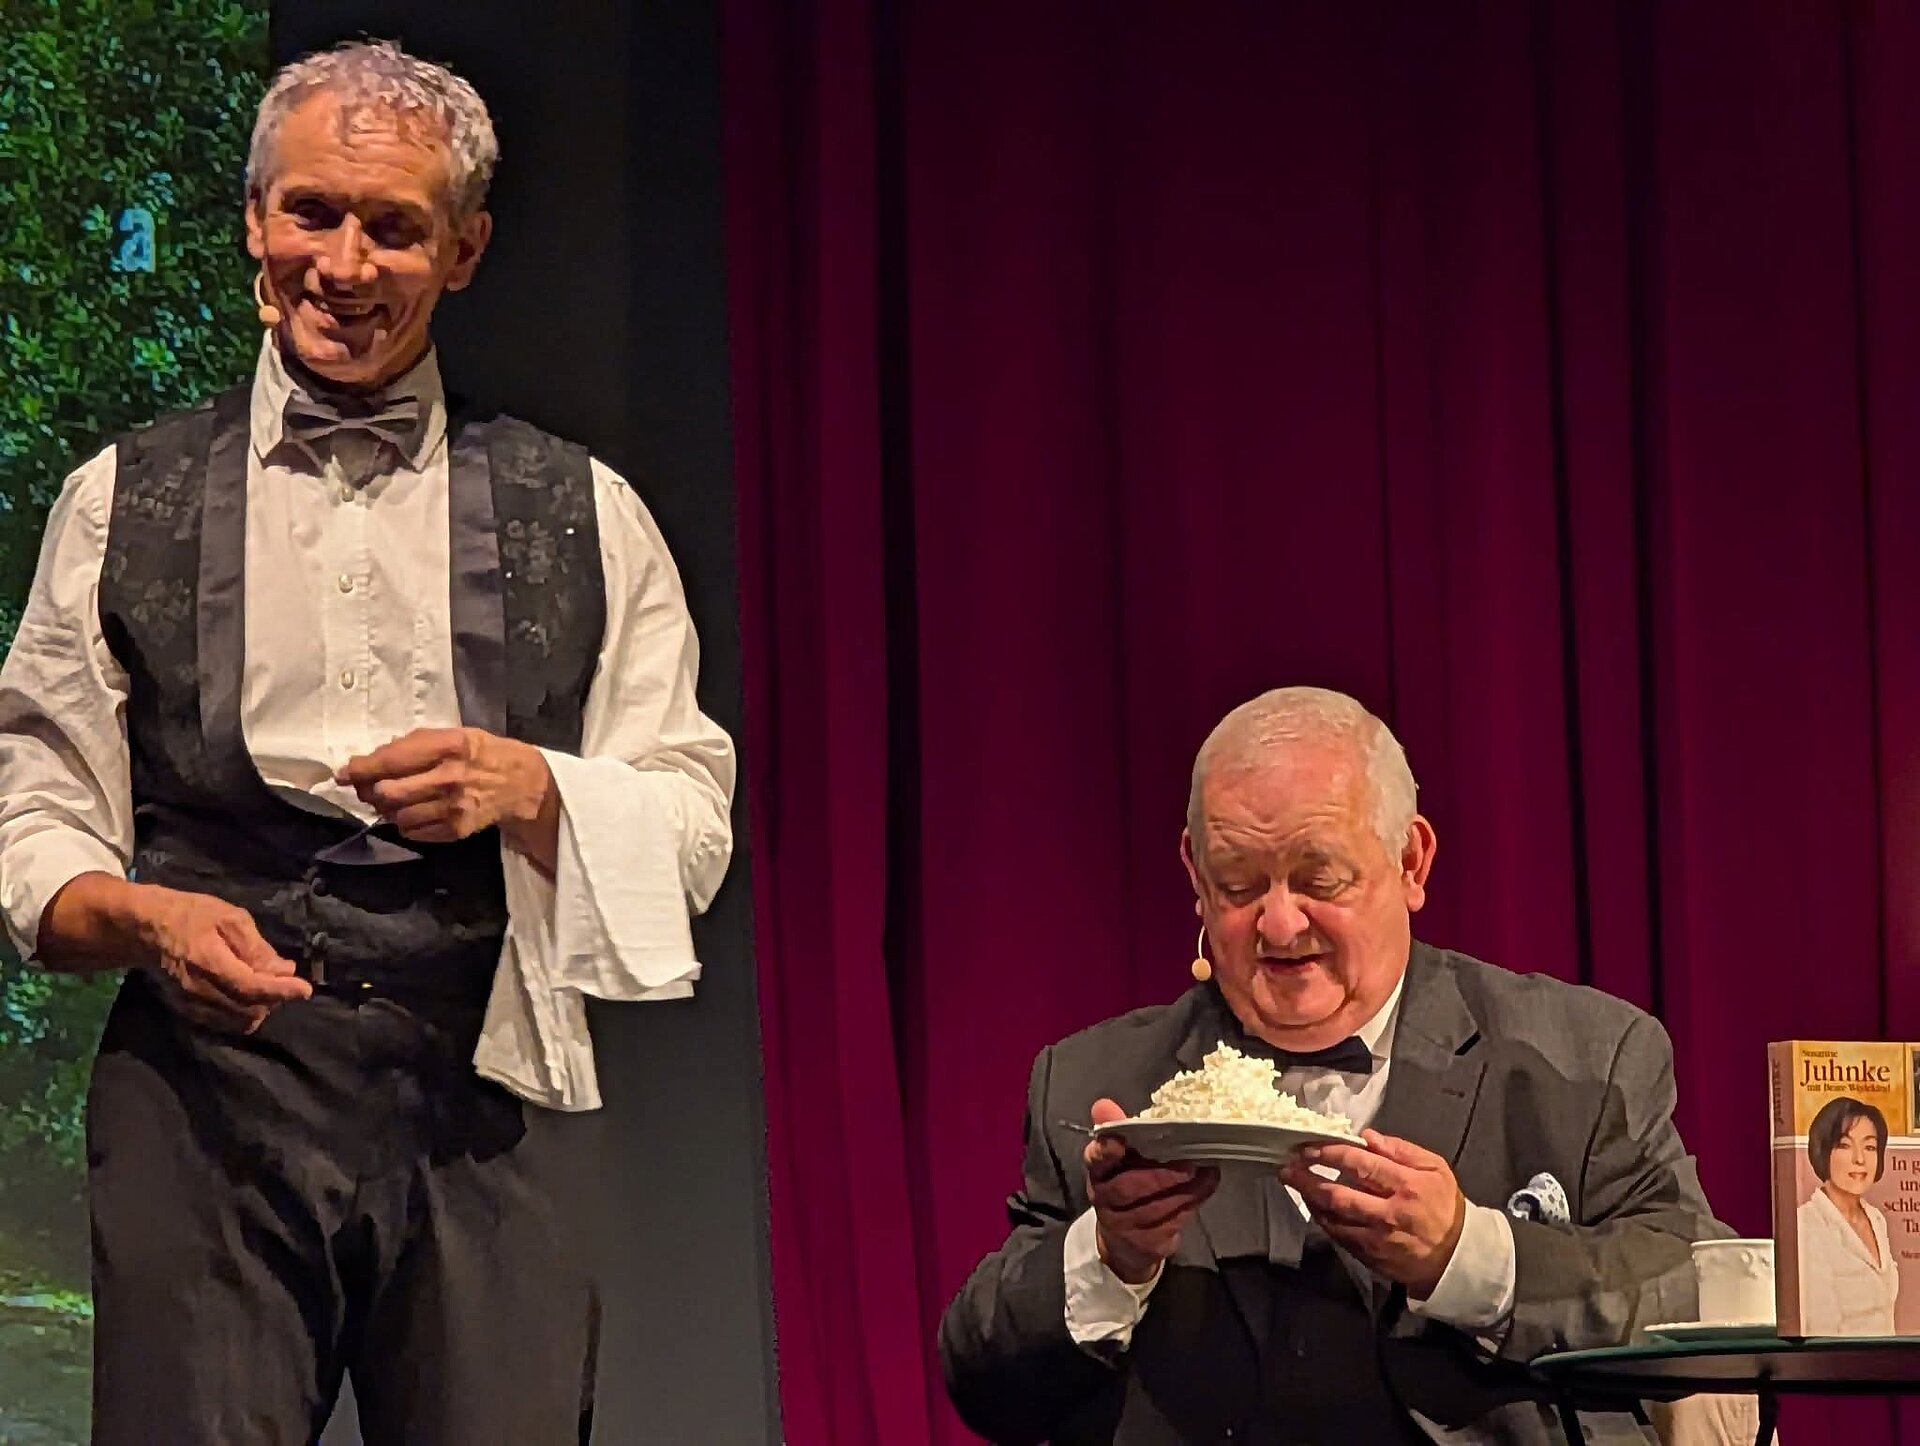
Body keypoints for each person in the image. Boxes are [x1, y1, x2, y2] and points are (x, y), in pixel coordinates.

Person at [0, 41, 734, 1445]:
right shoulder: (119, 500)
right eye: (312, 213)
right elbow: (33, 807)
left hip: (485, 1092)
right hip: (206, 1105)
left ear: (465, 250)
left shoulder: (584, 509)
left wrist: (533, 787)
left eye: (393, 226)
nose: (343, 264)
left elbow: (692, 815)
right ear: (253, 224)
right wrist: (145, 916)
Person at [940, 687, 1746, 1446]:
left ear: (1411, 861)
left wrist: (1468, 1254)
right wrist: (1110, 1258)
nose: (1279, 924)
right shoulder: (1095, 1081)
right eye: (1238, 885)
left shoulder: (1583, 1056)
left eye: (1319, 879)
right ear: (1193, 873)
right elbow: (983, 1382)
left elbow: (1700, 1292)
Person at [1796, 1097, 1898, 1335]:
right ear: (1824, 1150)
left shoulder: (1876, 1219)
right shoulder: (1806, 1225)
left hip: (1890, 1357)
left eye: (1870, 1147)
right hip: (1840, 1358)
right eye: (1844, 1145)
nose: (1859, 1159)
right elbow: (1821, 1331)